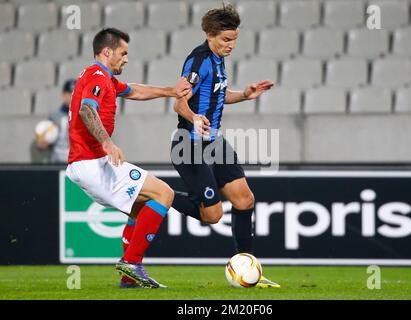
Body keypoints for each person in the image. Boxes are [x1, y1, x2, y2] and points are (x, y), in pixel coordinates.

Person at [65, 28, 191, 288]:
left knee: (139, 206)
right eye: (123, 53)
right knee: (164, 194)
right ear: (107, 52)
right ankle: (132, 263)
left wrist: (169, 91)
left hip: (87, 164)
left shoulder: (104, 78)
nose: (126, 59)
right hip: (92, 162)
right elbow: (87, 109)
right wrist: (107, 142)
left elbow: (134, 91)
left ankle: (128, 277)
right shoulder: (98, 77)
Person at [169, 4, 279, 288]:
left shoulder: (218, 61)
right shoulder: (198, 60)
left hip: (214, 142)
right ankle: (159, 196)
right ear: (209, 34)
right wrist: (193, 117)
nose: (231, 45)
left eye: (234, 40)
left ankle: (247, 266)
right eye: (226, 40)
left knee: (245, 200)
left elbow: (217, 95)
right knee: (213, 215)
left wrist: (244, 94)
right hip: (189, 145)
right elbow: (178, 100)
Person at [34, 79, 76, 164]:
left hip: (76, 164)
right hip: (56, 162)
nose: (72, 96)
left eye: (75, 93)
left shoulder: (83, 116)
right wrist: (43, 143)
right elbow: (46, 141)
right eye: (69, 93)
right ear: (63, 95)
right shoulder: (54, 116)